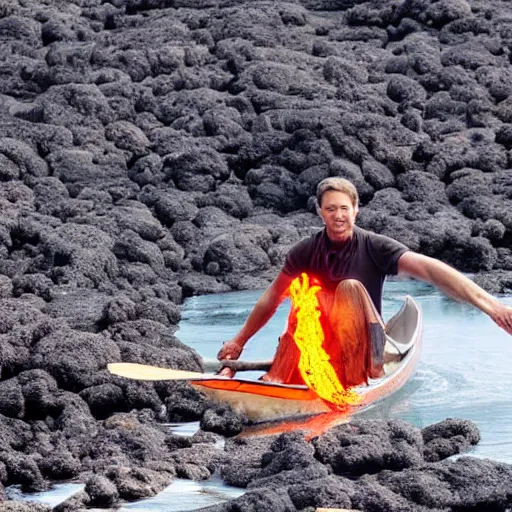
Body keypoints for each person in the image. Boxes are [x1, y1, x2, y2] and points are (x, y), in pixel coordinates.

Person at [217, 177, 512, 386]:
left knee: (349, 288)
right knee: (306, 292)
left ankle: (359, 377)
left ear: (356, 210)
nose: (338, 215)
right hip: (321, 348)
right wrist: (239, 341)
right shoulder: (306, 250)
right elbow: (272, 298)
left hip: (365, 350)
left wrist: (491, 306)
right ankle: (283, 375)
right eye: (331, 209)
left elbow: (432, 271)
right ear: (321, 212)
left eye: (345, 208)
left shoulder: (374, 246)